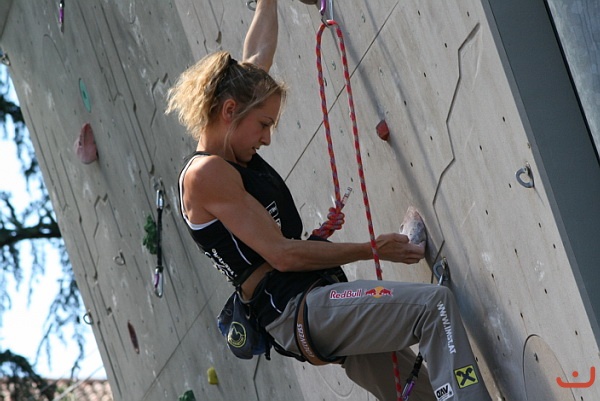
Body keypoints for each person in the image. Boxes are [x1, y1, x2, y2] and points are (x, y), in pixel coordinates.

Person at [167, 0, 492, 400]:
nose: (266, 138)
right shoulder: (205, 175)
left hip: (311, 304)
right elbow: (284, 255)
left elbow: (257, 55)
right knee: (433, 308)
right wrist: (372, 249)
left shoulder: (235, 132)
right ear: (230, 111)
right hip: (300, 308)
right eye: (263, 125)